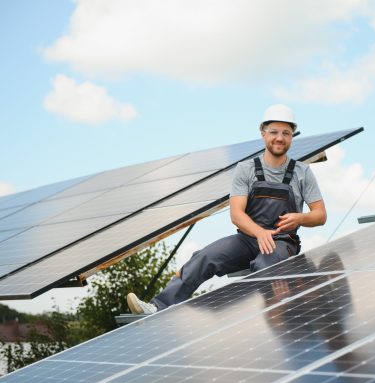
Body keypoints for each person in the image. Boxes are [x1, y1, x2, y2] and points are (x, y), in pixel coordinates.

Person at [127, 104, 327, 314]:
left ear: (292, 136)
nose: (280, 138)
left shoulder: (302, 172)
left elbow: (320, 215)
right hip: (248, 239)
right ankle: (157, 307)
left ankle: (266, 320)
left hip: (281, 241)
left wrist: (299, 218)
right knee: (205, 257)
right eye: (274, 132)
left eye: (286, 133)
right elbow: (236, 214)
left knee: (264, 266)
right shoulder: (246, 169)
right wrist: (259, 233)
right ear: (263, 134)